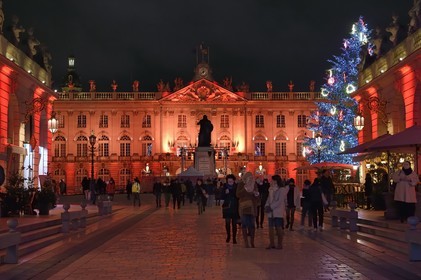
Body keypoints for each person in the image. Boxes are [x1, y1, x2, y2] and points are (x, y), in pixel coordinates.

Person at [236, 172, 259, 248]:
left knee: (252, 225)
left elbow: (257, 198)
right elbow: (238, 194)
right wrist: (245, 189)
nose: (250, 179)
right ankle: (246, 242)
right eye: (248, 177)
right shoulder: (241, 184)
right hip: (244, 207)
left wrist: (256, 194)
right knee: (244, 224)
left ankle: (252, 241)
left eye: (251, 177)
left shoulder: (254, 184)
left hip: (252, 207)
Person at [264, 175, 288, 249]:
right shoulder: (271, 189)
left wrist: (271, 207)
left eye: (273, 180)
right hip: (271, 212)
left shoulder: (282, 190)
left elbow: (280, 201)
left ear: (276, 181)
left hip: (278, 211)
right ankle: (272, 243)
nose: (271, 181)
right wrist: (266, 206)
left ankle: (280, 244)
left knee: (278, 227)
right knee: (271, 228)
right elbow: (269, 199)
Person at [222, 174, 240, 244]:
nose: (230, 182)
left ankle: (234, 238)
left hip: (235, 206)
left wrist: (231, 192)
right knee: (227, 223)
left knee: (234, 223)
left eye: (231, 181)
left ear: (233, 180)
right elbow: (222, 196)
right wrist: (225, 193)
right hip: (227, 207)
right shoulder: (224, 187)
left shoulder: (237, 187)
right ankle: (228, 235)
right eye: (228, 181)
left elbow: (238, 196)